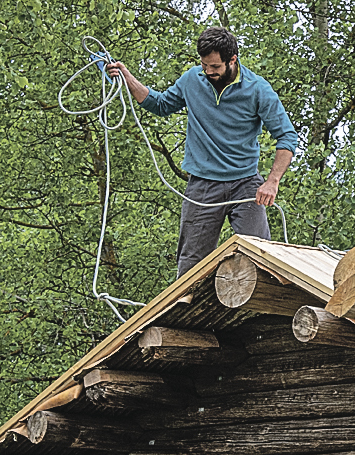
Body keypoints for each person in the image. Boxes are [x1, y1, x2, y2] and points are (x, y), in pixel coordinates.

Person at [106, 26, 298, 275]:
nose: (208, 72)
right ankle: (184, 309)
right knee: (191, 263)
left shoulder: (258, 89)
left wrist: (272, 182)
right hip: (202, 186)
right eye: (205, 65)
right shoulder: (192, 80)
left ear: (232, 60)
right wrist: (126, 77)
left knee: (260, 257)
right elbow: (161, 104)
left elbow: (287, 136)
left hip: (246, 184)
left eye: (215, 67)